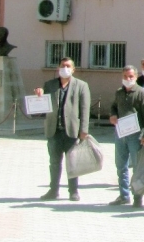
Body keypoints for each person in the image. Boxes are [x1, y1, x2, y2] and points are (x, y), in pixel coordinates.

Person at [36, 57, 90, 202]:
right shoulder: (50, 85)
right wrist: (39, 96)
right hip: (54, 131)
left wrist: (84, 130)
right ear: (58, 68)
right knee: (54, 163)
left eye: (68, 66)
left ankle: (73, 191)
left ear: (73, 69)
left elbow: (85, 109)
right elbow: (42, 107)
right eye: (62, 65)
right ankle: (53, 190)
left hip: (72, 131)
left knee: (72, 163)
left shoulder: (81, 85)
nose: (65, 68)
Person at [108, 65, 144, 208]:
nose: (128, 79)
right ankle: (123, 195)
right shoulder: (119, 92)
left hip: (136, 135)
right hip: (121, 134)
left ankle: (138, 196)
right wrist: (113, 114)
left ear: (136, 76)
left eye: (131, 76)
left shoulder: (141, 93)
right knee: (121, 165)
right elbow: (113, 106)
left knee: (137, 167)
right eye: (125, 76)